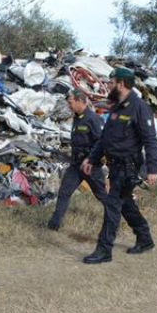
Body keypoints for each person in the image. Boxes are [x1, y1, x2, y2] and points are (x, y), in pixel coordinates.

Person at [80, 67, 157, 264]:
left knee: (112, 204)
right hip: (115, 167)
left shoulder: (139, 107)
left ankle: (104, 249)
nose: (108, 85)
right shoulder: (116, 107)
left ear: (122, 84)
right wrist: (92, 159)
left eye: (111, 82)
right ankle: (145, 238)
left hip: (129, 167)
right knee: (125, 204)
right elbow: (104, 139)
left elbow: (150, 140)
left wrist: (153, 169)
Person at [48, 90, 107, 230]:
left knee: (102, 196)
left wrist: (91, 159)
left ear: (80, 101)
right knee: (64, 192)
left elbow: (102, 143)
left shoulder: (93, 119)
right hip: (76, 165)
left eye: (71, 102)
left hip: (91, 166)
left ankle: (114, 221)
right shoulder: (77, 118)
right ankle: (54, 225)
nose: (69, 106)